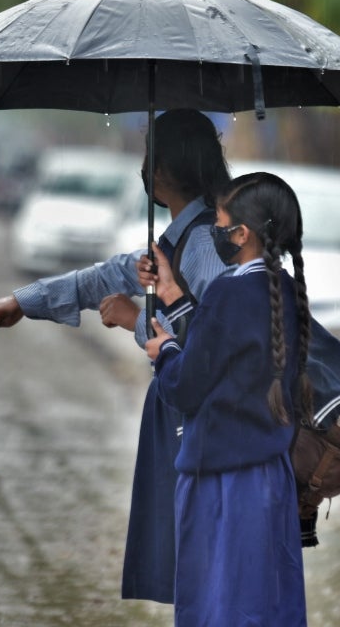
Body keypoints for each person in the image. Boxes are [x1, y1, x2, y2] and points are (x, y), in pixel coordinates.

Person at [0, 108, 234, 604]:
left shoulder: (202, 247)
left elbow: (212, 347)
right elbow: (103, 278)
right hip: (183, 416)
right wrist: (22, 303)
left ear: (160, 171)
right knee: (189, 557)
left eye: (148, 155)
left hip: (204, 423)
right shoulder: (177, 241)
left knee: (202, 560)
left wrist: (134, 322)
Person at [141, 171, 311, 626]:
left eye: (218, 223)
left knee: (219, 610)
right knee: (265, 609)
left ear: (242, 234)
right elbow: (230, 355)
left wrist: (165, 351)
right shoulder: (287, 297)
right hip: (271, 482)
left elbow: (185, 387)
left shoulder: (227, 293)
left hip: (220, 484)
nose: (215, 232)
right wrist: (174, 294)